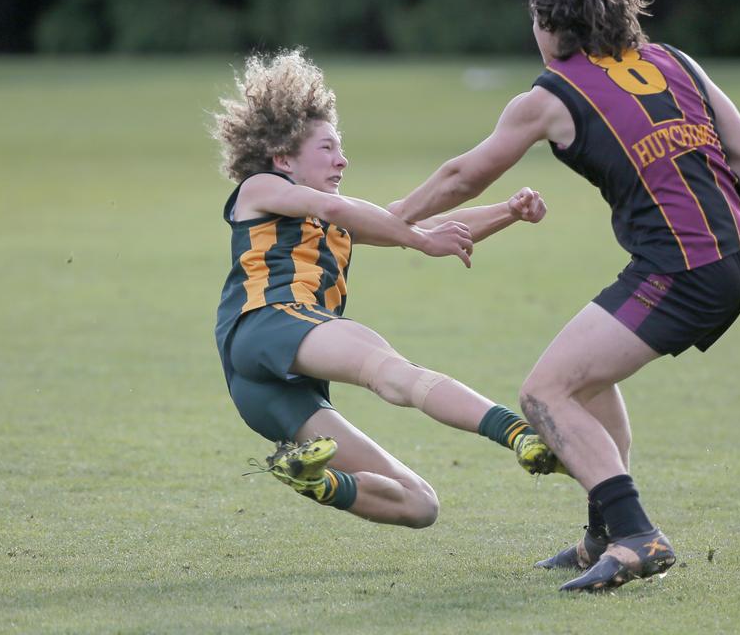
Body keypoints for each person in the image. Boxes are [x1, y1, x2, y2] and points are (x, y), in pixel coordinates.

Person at [389, 0, 740, 589]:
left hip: (680, 269)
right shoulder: (676, 60)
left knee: (544, 391)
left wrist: (386, 222)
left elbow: (461, 178)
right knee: (585, 378)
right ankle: (601, 535)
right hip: (735, 255)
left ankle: (638, 535)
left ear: (546, 22)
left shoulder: (553, 94)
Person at [212, 48, 563, 529]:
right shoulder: (260, 188)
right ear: (282, 158)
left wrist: (508, 211)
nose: (343, 159)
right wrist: (420, 241)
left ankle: (315, 480)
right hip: (269, 324)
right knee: (394, 374)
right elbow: (364, 216)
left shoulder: (332, 215)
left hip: (265, 389)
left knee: (419, 505)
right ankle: (520, 433)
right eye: (328, 148)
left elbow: (407, 220)